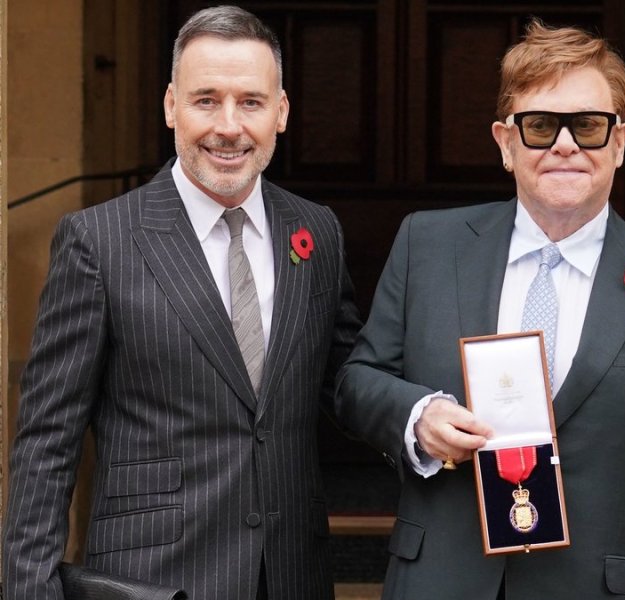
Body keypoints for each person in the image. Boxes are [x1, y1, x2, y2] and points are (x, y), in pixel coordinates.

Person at [336, 19, 625, 600]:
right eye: (541, 126)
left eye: (589, 127)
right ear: (505, 142)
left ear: (620, 142)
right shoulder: (428, 244)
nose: (565, 145)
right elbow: (356, 383)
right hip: (440, 582)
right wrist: (417, 417)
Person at [3, 6, 360, 600]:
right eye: (205, 100)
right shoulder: (98, 241)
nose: (228, 126)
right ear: (171, 105)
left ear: (282, 112)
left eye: (250, 101)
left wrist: (420, 414)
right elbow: (46, 444)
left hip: (294, 575)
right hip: (153, 581)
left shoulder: (316, 232)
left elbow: (348, 381)